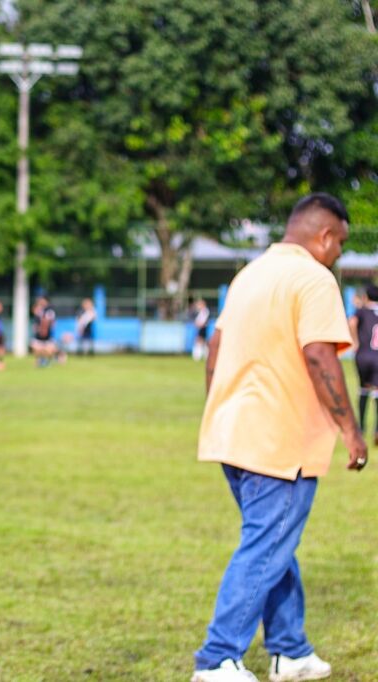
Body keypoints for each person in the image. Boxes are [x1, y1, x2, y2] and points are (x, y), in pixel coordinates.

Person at [192, 193, 367, 682]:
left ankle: (288, 650)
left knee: (274, 543)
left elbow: (215, 350)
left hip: (233, 435)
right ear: (326, 236)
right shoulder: (313, 278)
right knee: (266, 547)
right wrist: (351, 431)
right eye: (340, 245)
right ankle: (217, 658)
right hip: (280, 442)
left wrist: (219, 411)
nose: (338, 256)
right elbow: (319, 355)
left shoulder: (250, 275)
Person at [349, 283, 378, 444]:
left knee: (363, 389)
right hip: (377, 356)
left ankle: (360, 428)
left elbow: (352, 322)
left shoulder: (362, 311)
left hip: (363, 356)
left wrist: (355, 342)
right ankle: (377, 429)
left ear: (366, 297)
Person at [29, 296, 62, 366]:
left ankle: (56, 356)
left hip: (47, 334)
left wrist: (44, 328)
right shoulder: (40, 310)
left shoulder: (49, 310)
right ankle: (41, 360)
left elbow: (49, 322)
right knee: (36, 348)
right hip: (39, 334)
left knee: (48, 350)